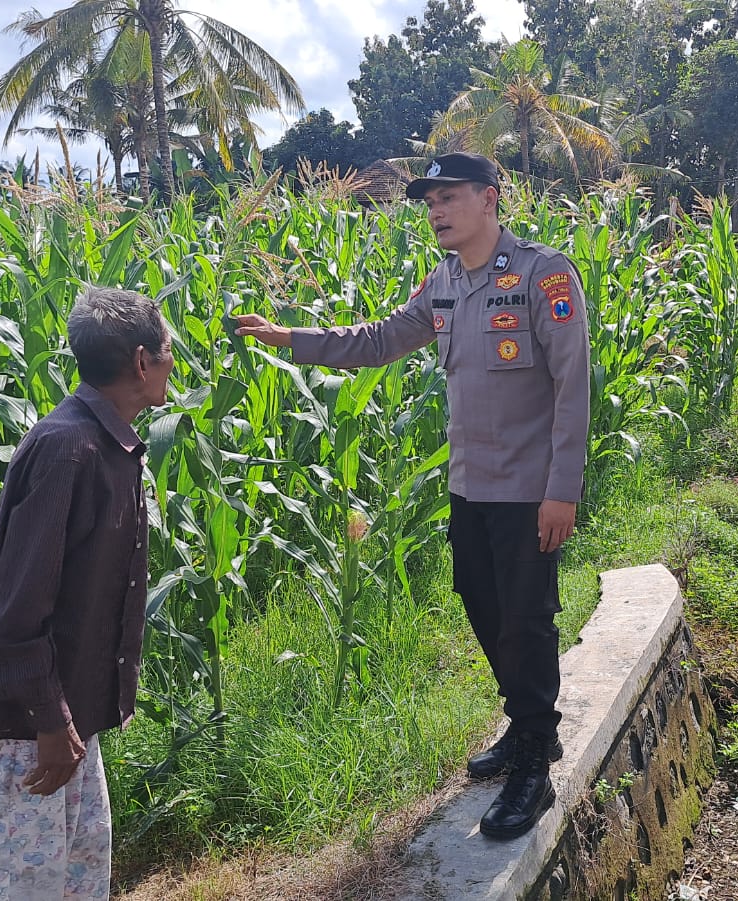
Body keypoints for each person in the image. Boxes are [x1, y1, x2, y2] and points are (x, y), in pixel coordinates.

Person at [234, 152, 591, 840]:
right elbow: (379, 339)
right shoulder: (445, 282)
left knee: (527, 618)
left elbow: (572, 387)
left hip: (527, 492)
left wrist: (562, 491)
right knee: (482, 604)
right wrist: (290, 339)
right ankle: (527, 726)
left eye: (448, 197)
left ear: (490, 199)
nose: (434, 210)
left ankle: (533, 767)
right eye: (428, 201)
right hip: (470, 487)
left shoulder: (543, 274)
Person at [0, 286, 174, 898]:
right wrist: (49, 723)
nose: (174, 361)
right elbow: (16, 613)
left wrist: (67, 720)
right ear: (142, 362)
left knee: (77, 879)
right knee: (30, 887)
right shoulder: (66, 449)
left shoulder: (108, 442)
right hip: (34, 728)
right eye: (168, 349)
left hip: (67, 718)